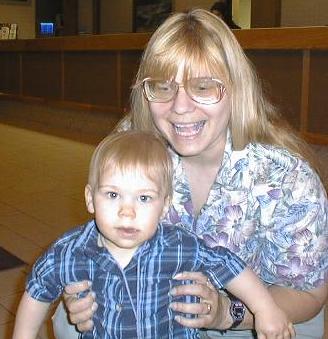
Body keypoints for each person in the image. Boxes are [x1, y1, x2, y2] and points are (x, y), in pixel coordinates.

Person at [56, 8, 328, 339]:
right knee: (66, 323)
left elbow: (309, 294)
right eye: (163, 87)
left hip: (259, 312)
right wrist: (82, 291)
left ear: (236, 89)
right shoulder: (131, 147)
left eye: (203, 87)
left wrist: (227, 313)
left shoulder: (287, 178)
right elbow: (104, 237)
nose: (180, 107)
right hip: (157, 304)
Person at [13, 131, 295, 339]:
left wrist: (265, 308)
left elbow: (229, 266)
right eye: (112, 195)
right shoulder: (69, 252)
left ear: (164, 206)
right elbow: (37, 293)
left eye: (144, 199)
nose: (127, 211)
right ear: (90, 198)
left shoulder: (179, 246)